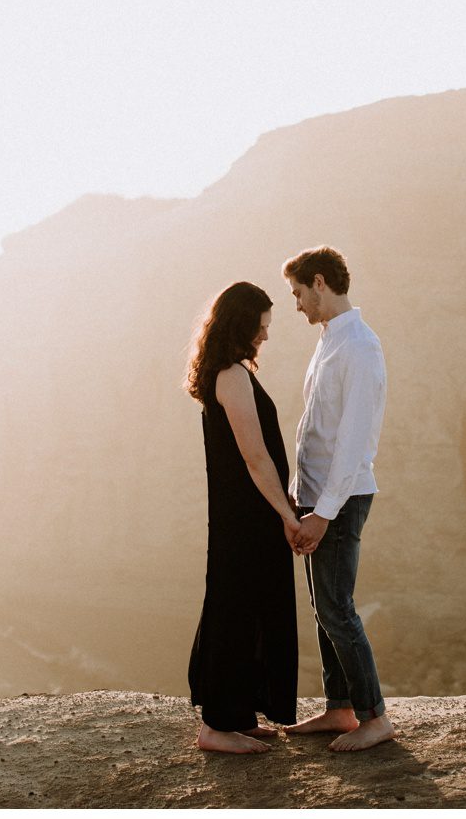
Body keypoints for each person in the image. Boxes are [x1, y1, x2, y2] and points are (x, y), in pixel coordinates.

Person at [282, 246, 395, 752]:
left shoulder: (360, 347)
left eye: (299, 293)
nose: (297, 305)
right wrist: (296, 498)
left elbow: (352, 442)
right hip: (317, 496)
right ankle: (340, 708)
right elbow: (315, 429)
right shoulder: (329, 341)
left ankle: (374, 717)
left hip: (342, 499)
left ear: (320, 283)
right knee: (322, 606)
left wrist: (324, 514)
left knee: (337, 607)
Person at [185, 281, 303, 754]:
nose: (266, 336)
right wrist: (286, 514)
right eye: (261, 326)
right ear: (240, 324)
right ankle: (216, 726)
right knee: (236, 610)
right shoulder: (231, 376)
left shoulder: (229, 372)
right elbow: (255, 458)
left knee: (249, 606)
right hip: (247, 516)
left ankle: (237, 714)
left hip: (247, 514)